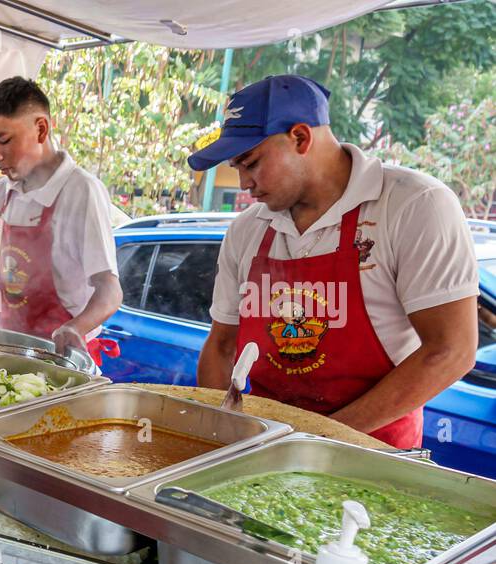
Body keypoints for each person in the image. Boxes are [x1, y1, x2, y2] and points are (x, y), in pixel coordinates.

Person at [192, 74, 478, 449]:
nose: (243, 182)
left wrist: (315, 440)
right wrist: (222, 436)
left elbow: (450, 350)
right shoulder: (248, 229)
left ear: (300, 137)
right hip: (260, 446)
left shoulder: (413, 204)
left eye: (251, 162)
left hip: (370, 455)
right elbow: (222, 345)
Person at [0, 77, 123, 354]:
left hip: (61, 356)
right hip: (9, 349)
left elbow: (110, 290)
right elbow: (0, 263)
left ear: (41, 129)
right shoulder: (2, 193)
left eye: (4, 140)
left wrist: (76, 327)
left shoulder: (81, 191)